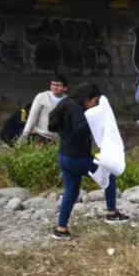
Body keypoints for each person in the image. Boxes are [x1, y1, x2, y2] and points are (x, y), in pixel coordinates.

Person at [48, 83, 130, 239]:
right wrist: (95, 120)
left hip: (64, 157)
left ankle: (61, 229)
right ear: (87, 99)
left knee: (71, 192)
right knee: (109, 176)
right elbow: (80, 129)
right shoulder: (77, 110)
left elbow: (53, 126)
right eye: (94, 101)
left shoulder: (65, 103)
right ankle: (112, 213)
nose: (95, 104)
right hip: (78, 159)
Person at [21, 74, 68, 143]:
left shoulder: (68, 100)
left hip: (58, 139)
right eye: (53, 84)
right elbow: (33, 116)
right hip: (41, 136)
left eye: (58, 85)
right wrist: (25, 133)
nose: (55, 87)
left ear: (65, 88)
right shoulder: (42, 97)